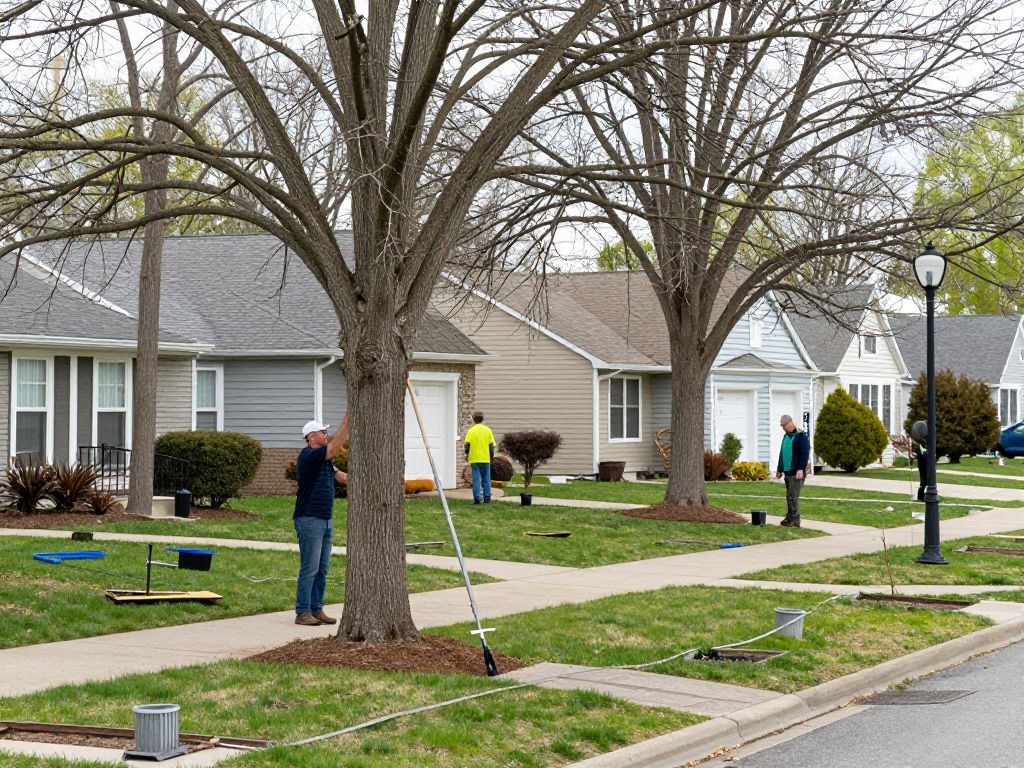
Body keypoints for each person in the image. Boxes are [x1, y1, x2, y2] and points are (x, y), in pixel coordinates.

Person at [293, 412, 348, 626]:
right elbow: (334, 448)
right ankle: (302, 612)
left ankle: (317, 609)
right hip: (309, 519)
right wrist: (346, 422)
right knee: (310, 567)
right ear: (312, 436)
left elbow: (341, 476)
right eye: (324, 432)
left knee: (322, 568)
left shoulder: (324, 462)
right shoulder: (309, 456)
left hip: (325, 519)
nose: (327, 434)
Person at [775, 414, 810, 527]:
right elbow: (782, 453)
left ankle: (795, 519)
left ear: (790, 423)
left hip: (796, 472)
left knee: (793, 496)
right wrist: (779, 469)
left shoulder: (800, 436)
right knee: (789, 496)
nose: (783, 428)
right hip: (787, 471)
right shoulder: (785, 437)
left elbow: (804, 454)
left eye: (784, 425)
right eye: (782, 426)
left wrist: (800, 469)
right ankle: (789, 517)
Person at [464, 411, 495, 504]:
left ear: (474, 419)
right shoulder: (488, 430)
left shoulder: (471, 431)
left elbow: (467, 445)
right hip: (485, 458)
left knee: (476, 479)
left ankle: (477, 498)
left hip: (474, 459)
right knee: (486, 479)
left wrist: (467, 454)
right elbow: (491, 446)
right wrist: (491, 456)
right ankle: (487, 498)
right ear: (482, 419)